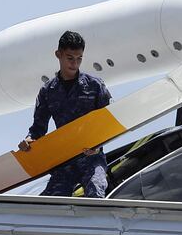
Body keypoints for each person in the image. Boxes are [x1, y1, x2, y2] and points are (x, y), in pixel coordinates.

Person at [18, 31, 112, 198]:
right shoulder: (48, 91)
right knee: (51, 202)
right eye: (70, 58)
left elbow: (109, 122)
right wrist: (28, 140)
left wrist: (97, 145)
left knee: (95, 191)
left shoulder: (95, 86)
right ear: (58, 55)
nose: (75, 63)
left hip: (91, 158)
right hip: (64, 161)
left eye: (79, 58)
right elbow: (37, 129)